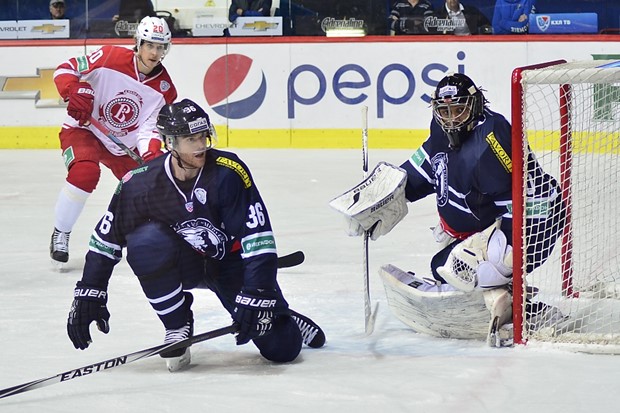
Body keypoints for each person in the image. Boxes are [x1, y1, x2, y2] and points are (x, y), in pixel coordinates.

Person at [65, 99, 325, 371]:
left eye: (203, 136)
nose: (200, 146)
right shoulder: (140, 183)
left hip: (230, 264)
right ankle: (177, 324)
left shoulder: (228, 172)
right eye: (191, 139)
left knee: (282, 349)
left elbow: (257, 237)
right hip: (184, 261)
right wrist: (90, 291)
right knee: (144, 242)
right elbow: (106, 240)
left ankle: (288, 318)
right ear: (169, 142)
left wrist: (257, 290)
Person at [330, 73, 565, 344]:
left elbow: (521, 204)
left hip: (536, 220)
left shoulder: (490, 141)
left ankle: (522, 308)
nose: (451, 118)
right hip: (498, 220)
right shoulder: (441, 130)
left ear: (475, 106)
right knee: (442, 266)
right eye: (444, 110)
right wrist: (383, 197)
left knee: (474, 270)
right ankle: (497, 289)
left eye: (458, 109)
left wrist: (502, 256)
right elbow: (427, 168)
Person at [49, 16, 177, 269]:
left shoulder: (165, 89)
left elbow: (149, 129)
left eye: (160, 47)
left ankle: (143, 240)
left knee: (148, 192)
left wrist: (151, 156)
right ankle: (61, 232)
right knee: (85, 173)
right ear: (138, 43)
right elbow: (65, 68)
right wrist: (73, 90)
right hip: (85, 130)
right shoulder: (109, 57)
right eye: (150, 45)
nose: (154, 52)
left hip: (123, 147)